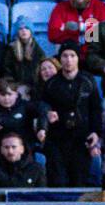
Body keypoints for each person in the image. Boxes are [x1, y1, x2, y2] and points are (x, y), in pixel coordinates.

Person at [39, 43, 101, 187]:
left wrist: (95, 132)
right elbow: (43, 106)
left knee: (79, 181)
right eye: (65, 56)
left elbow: (95, 108)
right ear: (60, 59)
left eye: (72, 56)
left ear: (78, 58)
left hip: (81, 138)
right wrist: (47, 116)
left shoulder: (88, 80)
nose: (68, 60)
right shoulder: (52, 83)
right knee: (58, 181)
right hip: (58, 139)